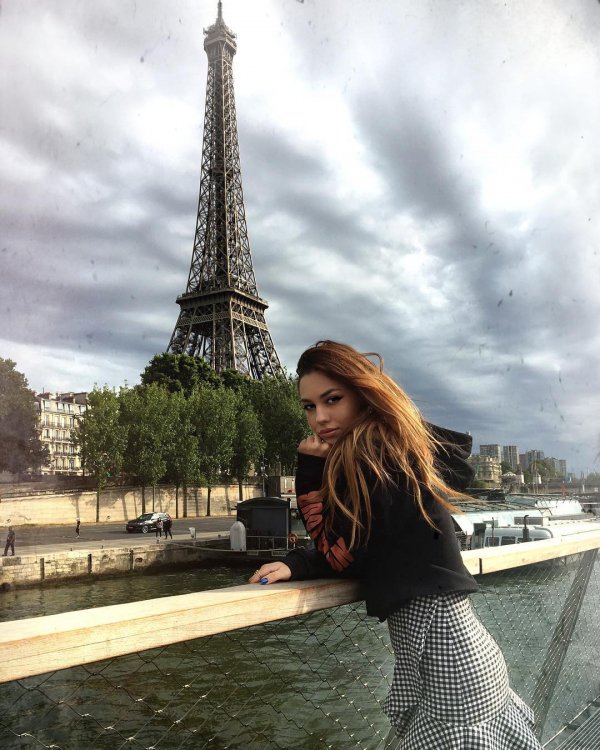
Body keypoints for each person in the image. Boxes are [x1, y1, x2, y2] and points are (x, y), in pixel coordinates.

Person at [250, 340, 542, 749]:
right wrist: (299, 563)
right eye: (309, 406)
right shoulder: (395, 451)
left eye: (332, 399)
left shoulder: (375, 458)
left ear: (362, 393)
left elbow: (340, 554)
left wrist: (309, 470)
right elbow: (366, 547)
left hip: (449, 670)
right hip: (459, 659)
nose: (319, 417)